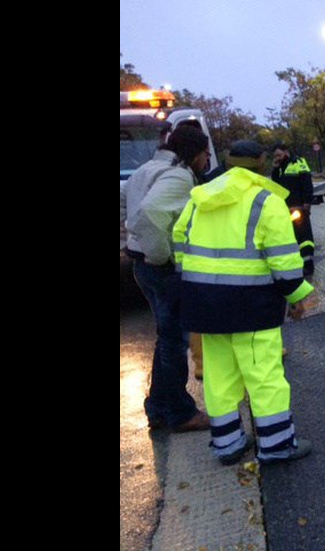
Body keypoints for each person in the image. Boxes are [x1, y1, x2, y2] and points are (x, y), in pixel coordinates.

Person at [173, 139, 317, 466]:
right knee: (264, 377)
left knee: (220, 378)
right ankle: (277, 445)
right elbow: (284, 263)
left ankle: (227, 445)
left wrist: (196, 284)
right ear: (262, 163)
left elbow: (180, 242)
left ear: (228, 162)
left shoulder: (200, 197)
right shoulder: (266, 201)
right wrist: (297, 299)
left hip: (205, 306)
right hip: (251, 308)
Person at [121, 124, 212, 432]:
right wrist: (159, 254)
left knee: (166, 339)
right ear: (193, 152)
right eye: (204, 153)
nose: (208, 158)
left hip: (141, 265)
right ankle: (179, 412)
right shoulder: (179, 176)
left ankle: (158, 407)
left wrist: (132, 241)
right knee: (174, 342)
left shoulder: (146, 169)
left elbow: (127, 203)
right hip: (161, 268)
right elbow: (151, 212)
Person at [270, 142, 315, 275]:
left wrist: (307, 202)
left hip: (298, 207)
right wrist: (275, 169)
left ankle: (308, 265)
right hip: (284, 209)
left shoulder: (298, 162)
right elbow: (276, 185)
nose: (277, 158)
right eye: (275, 156)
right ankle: (296, 264)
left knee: (304, 238)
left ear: (286, 152)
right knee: (291, 237)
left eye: (279, 154)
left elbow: (307, 183)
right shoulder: (279, 168)